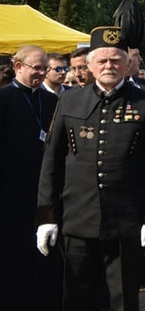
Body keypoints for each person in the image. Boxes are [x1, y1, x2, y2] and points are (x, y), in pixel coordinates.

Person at [36, 27, 145, 310]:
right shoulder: (69, 100)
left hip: (125, 222)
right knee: (76, 297)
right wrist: (46, 215)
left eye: (116, 60)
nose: (109, 66)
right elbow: (53, 161)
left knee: (122, 299)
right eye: (103, 60)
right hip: (77, 218)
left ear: (127, 63)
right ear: (90, 65)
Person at [1, 45, 63, 310]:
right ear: (18, 66)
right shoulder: (4, 99)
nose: (41, 73)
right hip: (11, 192)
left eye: (44, 68)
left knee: (46, 258)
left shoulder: (52, 101)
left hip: (45, 192)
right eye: (35, 68)